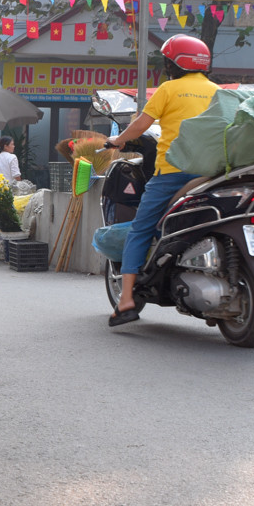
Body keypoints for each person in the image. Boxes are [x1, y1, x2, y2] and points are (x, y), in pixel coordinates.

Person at [104, 34, 219, 327]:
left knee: (140, 230)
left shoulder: (169, 89)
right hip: (214, 173)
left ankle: (127, 299)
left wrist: (117, 140)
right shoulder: (218, 92)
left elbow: (142, 125)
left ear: (173, 63)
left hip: (174, 173)